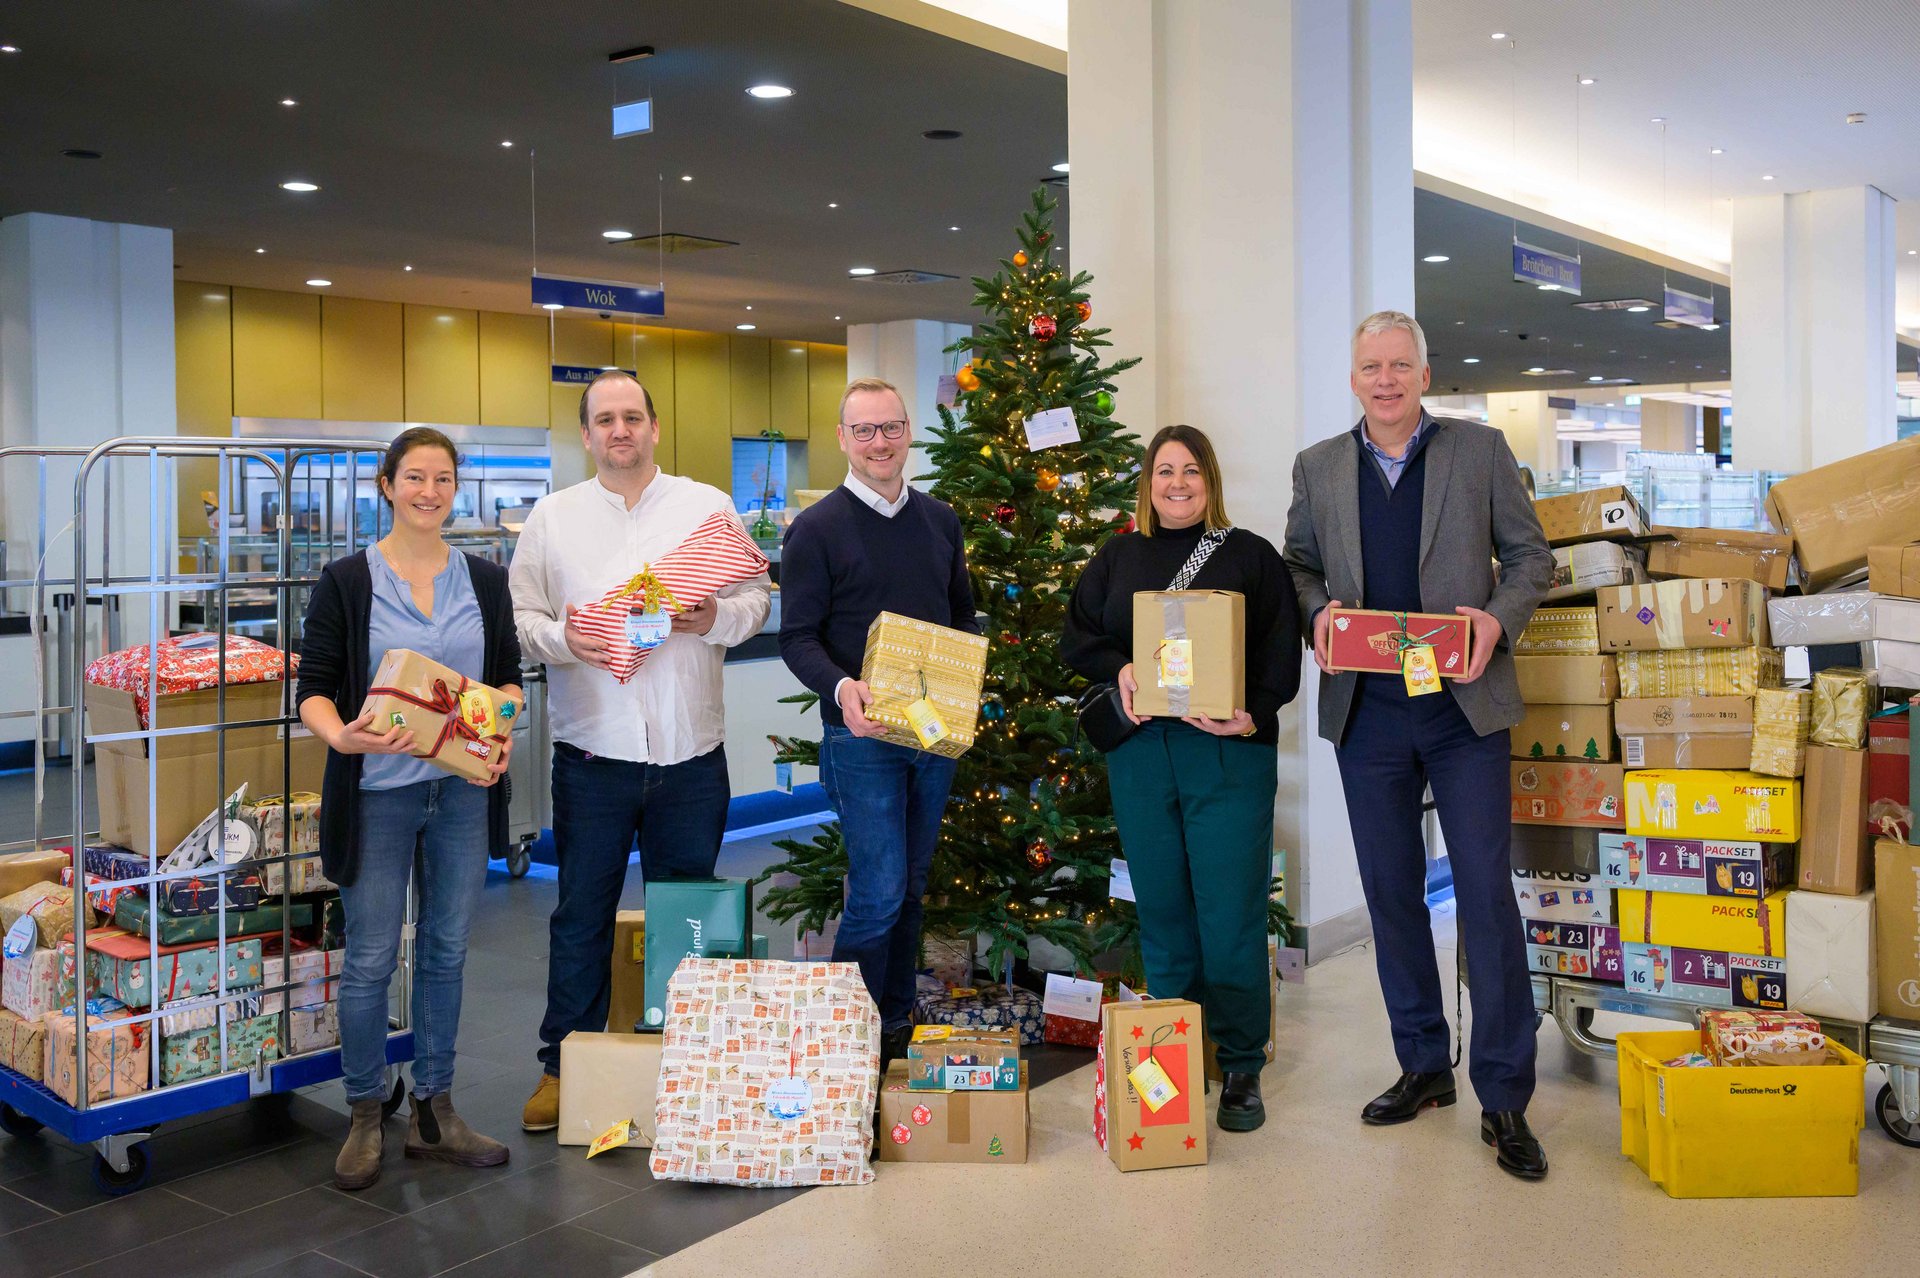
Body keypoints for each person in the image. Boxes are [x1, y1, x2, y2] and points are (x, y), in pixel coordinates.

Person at [1282, 310, 1554, 1179]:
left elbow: (1530, 559)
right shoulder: (1320, 466)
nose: (1387, 379)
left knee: (1482, 894)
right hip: (1369, 712)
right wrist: (1316, 611)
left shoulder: (1479, 453)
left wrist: (1494, 619)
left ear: (1425, 377)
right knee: (1392, 895)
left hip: (1463, 709)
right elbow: (1296, 565)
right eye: (1372, 366)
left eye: (1401, 365)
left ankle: (1506, 1094)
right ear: (1353, 378)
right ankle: (1424, 1066)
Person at [510, 370, 770, 1132]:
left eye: (632, 417)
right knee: (580, 913)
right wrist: (567, 638)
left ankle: (689, 1062)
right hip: (592, 755)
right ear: (587, 435)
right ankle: (563, 1065)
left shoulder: (706, 509)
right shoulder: (552, 520)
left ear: (655, 427)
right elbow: (523, 619)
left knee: (687, 911)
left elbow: (757, 603)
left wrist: (711, 616)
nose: (620, 430)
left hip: (691, 753)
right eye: (605, 420)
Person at [297, 426, 521, 1191]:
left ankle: (435, 1109)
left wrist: (497, 733)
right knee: (368, 956)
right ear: (387, 485)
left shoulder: (487, 581)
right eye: (416, 477)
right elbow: (316, 687)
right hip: (377, 796)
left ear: (458, 489)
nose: (430, 492)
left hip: (459, 793)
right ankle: (365, 1111)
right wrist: (343, 737)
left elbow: (509, 682)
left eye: (444, 479)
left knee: (447, 949)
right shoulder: (347, 580)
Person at [1060, 423, 1301, 1132]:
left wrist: (1251, 715)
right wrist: (1121, 668)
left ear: (1210, 480)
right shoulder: (1118, 555)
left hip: (1227, 755)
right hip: (1140, 755)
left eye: (1190, 470)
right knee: (1162, 908)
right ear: (1148, 482)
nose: (1177, 484)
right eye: (1165, 471)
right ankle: (1175, 1051)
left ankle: (1242, 1064)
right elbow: (1078, 637)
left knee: (1229, 912)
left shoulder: (1249, 556)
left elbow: (1283, 653)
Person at [779, 377, 978, 1068]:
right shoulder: (815, 530)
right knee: (879, 891)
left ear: (908, 432)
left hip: (932, 736)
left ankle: (892, 1023)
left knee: (912, 887)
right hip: (861, 738)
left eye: (890, 427)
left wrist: (962, 687)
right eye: (863, 431)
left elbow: (963, 617)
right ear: (842, 439)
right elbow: (797, 637)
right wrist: (842, 690)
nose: (879, 443)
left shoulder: (940, 521)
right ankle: (844, 1040)